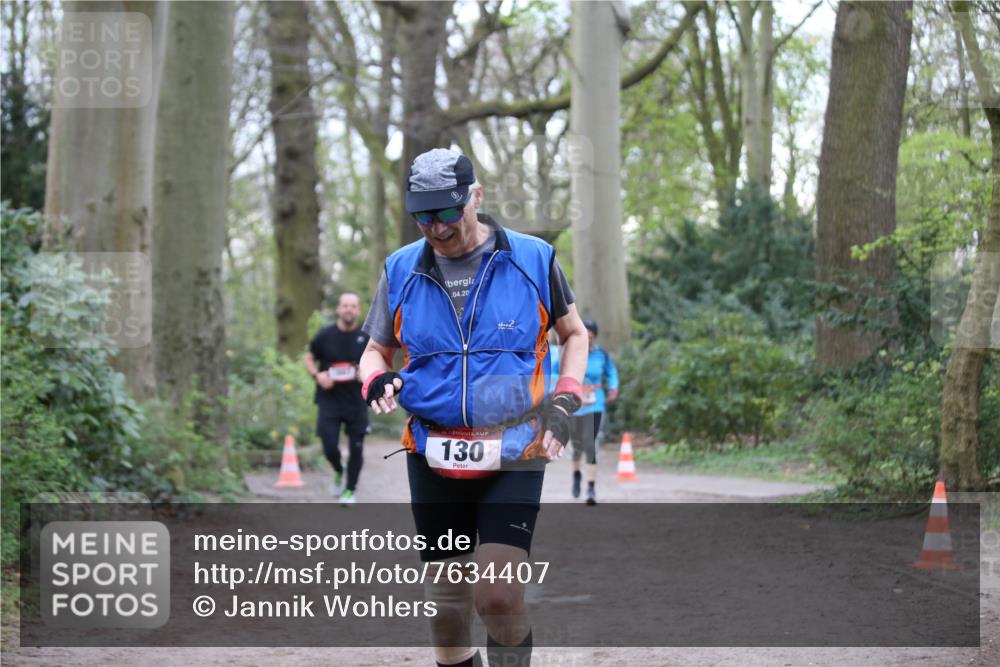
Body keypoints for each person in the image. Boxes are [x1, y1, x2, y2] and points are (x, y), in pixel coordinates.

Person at [359, 148, 588, 667]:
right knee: (446, 607)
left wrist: (566, 398)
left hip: (514, 450)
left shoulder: (532, 258)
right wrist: (376, 380)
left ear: (475, 198)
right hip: (433, 453)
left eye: (446, 212)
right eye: (423, 215)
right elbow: (375, 351)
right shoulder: (400, 269)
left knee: (499, 598)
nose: (435, 227)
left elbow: (575, 335)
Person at [304, 291, 370, 506]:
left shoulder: (367, 337)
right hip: (329, 400)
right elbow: (309, 357)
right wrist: (317, 375)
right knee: (329, 445)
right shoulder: (325, 335)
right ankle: (338, 470)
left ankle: (350, 490)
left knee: (357, 447)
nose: (349, 309)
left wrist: (367, 373)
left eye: (353, 306)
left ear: (358, 310)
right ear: (338, 309)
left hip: (356, 401)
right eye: (345, 305)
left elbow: (381, 360)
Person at [568, 319, 618, 505]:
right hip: (575, 405)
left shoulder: (602, 355)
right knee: (577, 446)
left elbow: (611, 372)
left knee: (590, 444)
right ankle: (576, 474)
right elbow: (556, 371)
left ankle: (590, 488)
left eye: (590, 337)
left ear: (595, 337)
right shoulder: (571, 352)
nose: (587, 340)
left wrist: (613, 386)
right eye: (584, 336)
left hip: (595, 404)